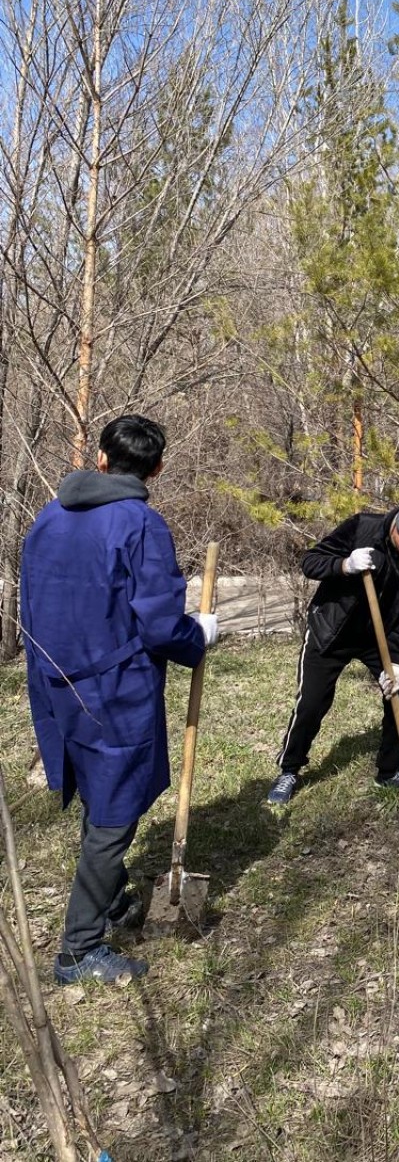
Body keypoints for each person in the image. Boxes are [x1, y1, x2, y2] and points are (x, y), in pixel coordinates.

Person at [20, 415, 217, 985]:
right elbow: (159, 624)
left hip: (57, 682)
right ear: (157, 468)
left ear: (102, 458)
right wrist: (197, 634)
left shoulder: (48, 516)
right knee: (113, 815)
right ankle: (79, 950)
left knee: (98, 794)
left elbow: (29, 603)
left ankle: (107, 900)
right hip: (113, 691)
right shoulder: (141, 524)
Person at [267, 501, 399, 803]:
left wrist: (396, 662)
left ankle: (388, 771)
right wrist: (344, 565)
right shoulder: (362, 528)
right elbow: (310, 562)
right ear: (398, 527)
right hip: (332, 631)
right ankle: (289, 769)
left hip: (379, 637)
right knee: (311, 702)